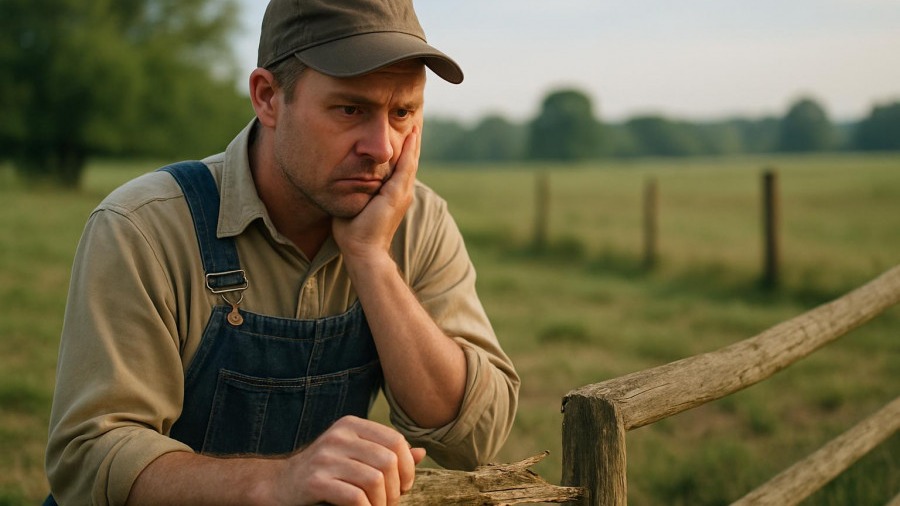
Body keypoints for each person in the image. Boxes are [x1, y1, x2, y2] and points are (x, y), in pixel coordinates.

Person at [43, 0, 519, 504]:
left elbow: (474, 438)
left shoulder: (417, 222)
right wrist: (278, 481)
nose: (382, 147)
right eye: (350, 109)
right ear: (268, 97)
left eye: (402, 112)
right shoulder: (143, 227)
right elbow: (89, 457)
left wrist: (371, 259)